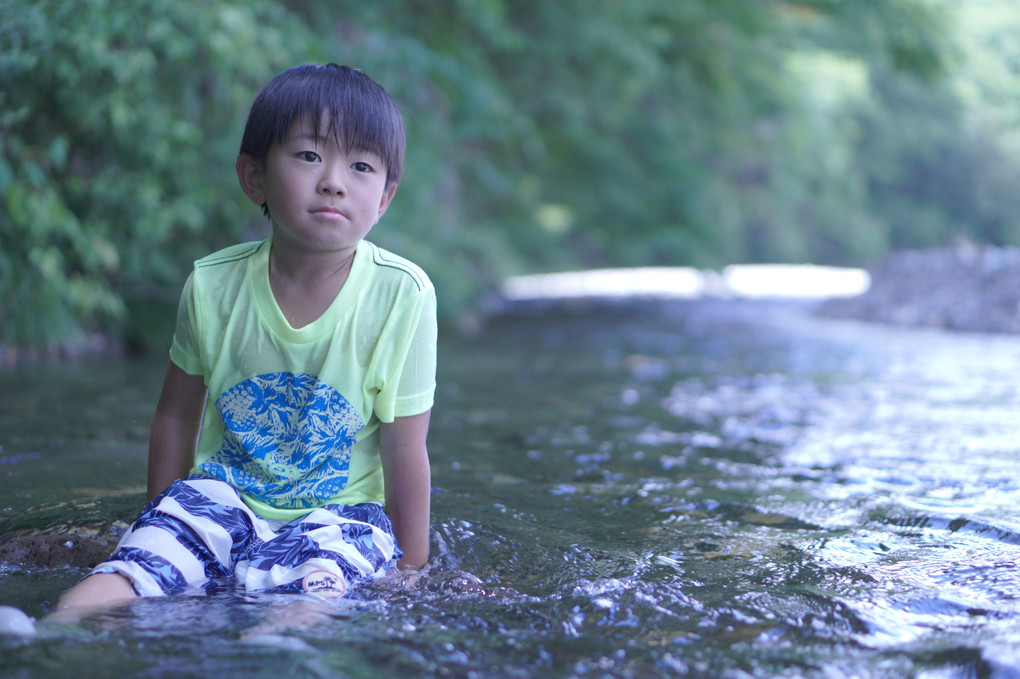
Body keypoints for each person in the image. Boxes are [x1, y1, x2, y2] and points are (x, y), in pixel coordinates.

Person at [54, 63, 437, 615]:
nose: (333, 180)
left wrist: (411, 571)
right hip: (219, 497)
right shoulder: (212, 285)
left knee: (312, 598)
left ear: (383, 198)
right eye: (309, 156)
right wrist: (160, 519)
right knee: (133, 571)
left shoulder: (402, 296)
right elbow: (175, 417)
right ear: (253, 176)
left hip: (339, 514)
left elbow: (406, 447)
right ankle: (48, 633)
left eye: (360, 165)